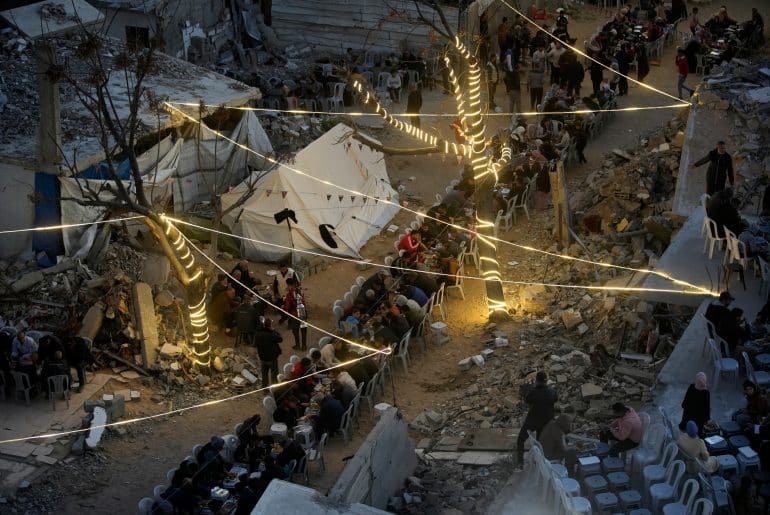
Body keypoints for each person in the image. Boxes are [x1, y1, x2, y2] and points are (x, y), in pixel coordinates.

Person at [516, 371, 558, 465]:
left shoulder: (533, 392)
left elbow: (527, 400)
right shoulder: (552, 391)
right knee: (540, 442)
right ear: (546, 381)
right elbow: (555, 398)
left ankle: (520, 463)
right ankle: (540, 462)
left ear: (537, 381)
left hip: (533, 421)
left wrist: (531, 390)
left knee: (520, 440)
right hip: (546, 421)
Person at [254, 318, 282, 387]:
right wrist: (274, 331)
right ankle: (274, 389)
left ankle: (265, 389)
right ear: (270, 325)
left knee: (264, 374)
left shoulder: (258, 334)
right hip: (272, 358)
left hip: (262, 357)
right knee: (274, 375)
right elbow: (280, 339)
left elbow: (255, 344)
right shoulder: (271, 334)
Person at [283, 277, 308, 351]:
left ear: (289, 285)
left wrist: (283, 307)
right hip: (302, 311)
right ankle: (304, 346)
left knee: (295, 330)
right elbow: (303, 301)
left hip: (294, 313)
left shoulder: (289, 294)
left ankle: (297, 345)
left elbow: (287, 306)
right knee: (303, 330)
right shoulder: (300, 290)